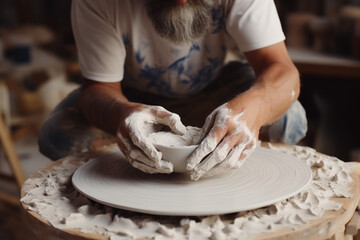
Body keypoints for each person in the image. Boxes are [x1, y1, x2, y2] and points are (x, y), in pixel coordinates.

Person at [39, 0, 307, 180]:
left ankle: (254, 180)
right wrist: (123, 115)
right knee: (59, 135)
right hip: (132, 97)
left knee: (289, 116)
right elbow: (99, 89)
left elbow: (282, 70)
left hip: (217, 88)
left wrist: (254, 109)